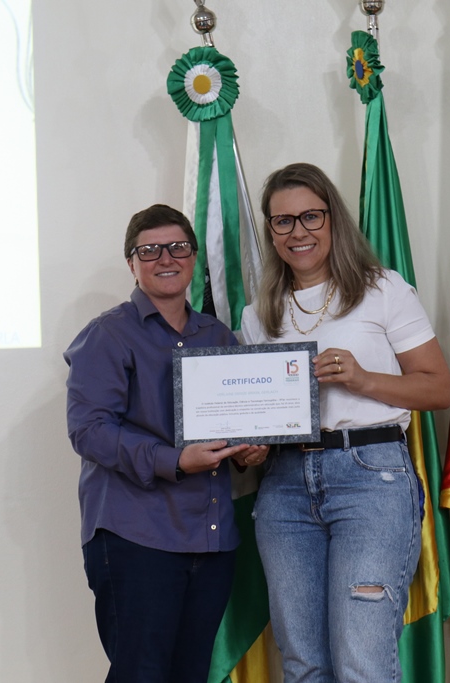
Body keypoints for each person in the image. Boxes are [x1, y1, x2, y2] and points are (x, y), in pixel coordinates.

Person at [240, 163, 450, 682]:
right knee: (304, 665)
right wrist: (254, 446)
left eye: (310, 216)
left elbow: (438, 388)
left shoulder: (383, 289)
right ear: (271, 231)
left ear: (333, 218)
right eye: (283, 221)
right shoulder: (256, 314)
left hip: (370, 479)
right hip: (284, 487)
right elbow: (261, 414)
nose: (298, 232)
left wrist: (363, 379)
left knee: (363, 662)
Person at [64, 204, 269, 683]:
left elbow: (237, 423)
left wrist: (249, 451)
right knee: (140, 674)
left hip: (211, 540)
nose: (165, 258)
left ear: (194, 257)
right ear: (131, 263)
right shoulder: (107, 335)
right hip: (136, 536)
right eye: (150, 250)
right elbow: (89, 431)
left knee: (191, 674)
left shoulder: (218, 336)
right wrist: (174, 461)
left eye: (177, 247)